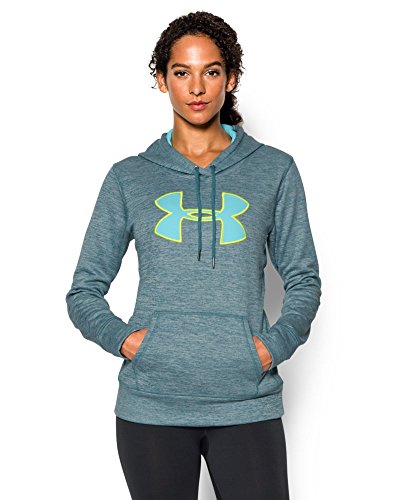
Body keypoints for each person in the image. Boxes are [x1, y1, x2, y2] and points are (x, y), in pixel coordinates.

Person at [65, 10, 322, 500]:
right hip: (151, 405)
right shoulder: (130, 178)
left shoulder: (274, 171)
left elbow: (303, 279)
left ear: (231, 78)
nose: (197, 87)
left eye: (212, 71)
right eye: (182, 72)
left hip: (247, 402)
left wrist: (270, 348)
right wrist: (129, 343)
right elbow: (84, 290)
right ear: (162, 80)